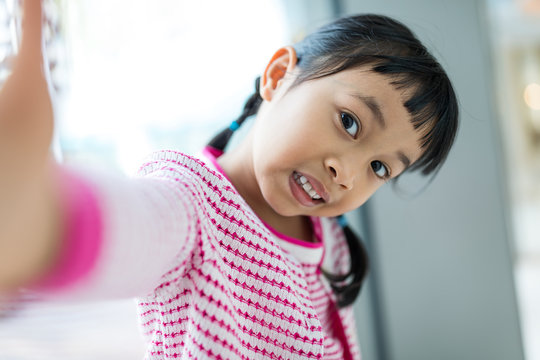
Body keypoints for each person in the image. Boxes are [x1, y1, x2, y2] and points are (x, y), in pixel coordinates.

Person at [0, 1, 458, 359]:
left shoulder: (331, 243)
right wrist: (35, 217)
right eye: (350, 122)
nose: (348, 174)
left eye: (380, 168)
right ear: (279, 75)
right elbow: (134, 225)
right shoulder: (193, 202)